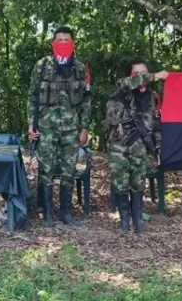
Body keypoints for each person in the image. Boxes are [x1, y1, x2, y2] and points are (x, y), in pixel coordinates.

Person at [27, 26, 91, 227]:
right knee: (45, 169)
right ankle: (46, 213)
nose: (63, 43)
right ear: (53, 43)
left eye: (67, 40)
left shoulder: (80, 68)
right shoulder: (42, 66)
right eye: (59, 40)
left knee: (69, 169)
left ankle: (65, 212)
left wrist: (84, 128)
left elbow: (87, 100)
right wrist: (31, 122)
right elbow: (32, 96)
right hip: (46, 127)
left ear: (73, 43)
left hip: (71, 128)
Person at [104, 59, 167, 233]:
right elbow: (125, 83)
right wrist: (154, 76)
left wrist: (158, 149)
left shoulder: (151, 97)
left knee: (138, 182)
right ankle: (125, 220)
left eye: (144, 73)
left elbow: (156, 125)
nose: (141, 77)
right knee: (120, 182)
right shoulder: (123, 90)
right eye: (136, 74)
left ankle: (138, 219)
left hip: (139, 146)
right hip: (119, 145)